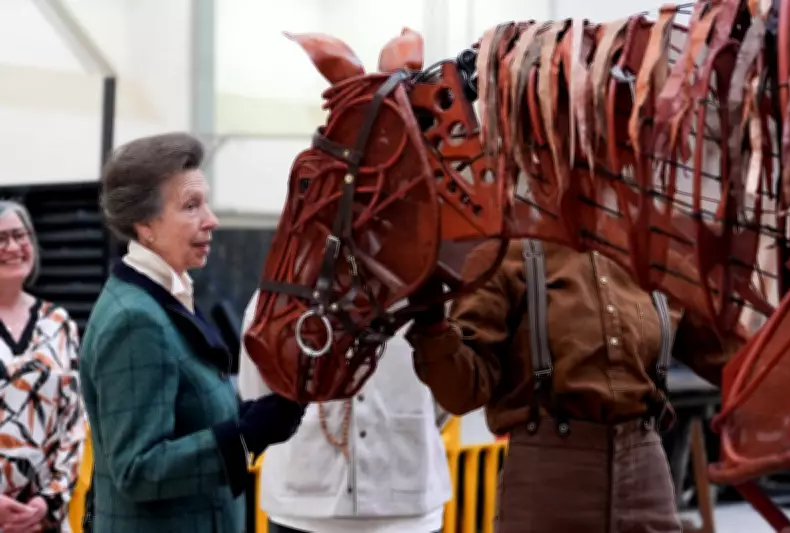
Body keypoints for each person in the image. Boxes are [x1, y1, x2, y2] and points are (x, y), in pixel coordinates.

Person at [405, 239, 744, 533]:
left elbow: (737, 366)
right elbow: (463, 391)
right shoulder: (506, 257)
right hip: (549, 482)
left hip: (646, 474)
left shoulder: (656, 259)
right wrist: (433, 326)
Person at [78, 132, 306, 533]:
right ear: (145, 224)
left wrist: (250, 416)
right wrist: (244, 437)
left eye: (206, 203)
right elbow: (137, 468)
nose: (211, 219)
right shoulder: (136, 320)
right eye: (190, 206)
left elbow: (187, 413)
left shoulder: (167, 293)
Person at [238, 290, 453, 533]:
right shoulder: (276, 295)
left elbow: (451, 391)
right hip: (301, 512)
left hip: (407, 513)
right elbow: (258, 401)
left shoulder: (429, 290)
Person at [0, 200, 85, 533]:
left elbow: (74, 422)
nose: (13, 247)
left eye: (20, 236)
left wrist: (46, 503)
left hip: (45, 519)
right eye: (1, 238)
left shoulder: (59, 323)